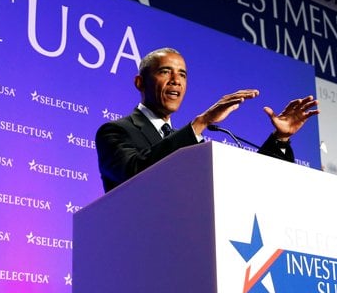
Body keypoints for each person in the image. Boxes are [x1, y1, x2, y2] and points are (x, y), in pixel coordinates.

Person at [96, 47, 319, 192]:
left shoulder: (187, 142)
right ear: (140, 83)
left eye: (182, 74)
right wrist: (201, 122)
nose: (176, 80)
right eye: (165, 71)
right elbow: (133, 173)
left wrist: (280, 140)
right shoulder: (115, 131)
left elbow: (243, 188)